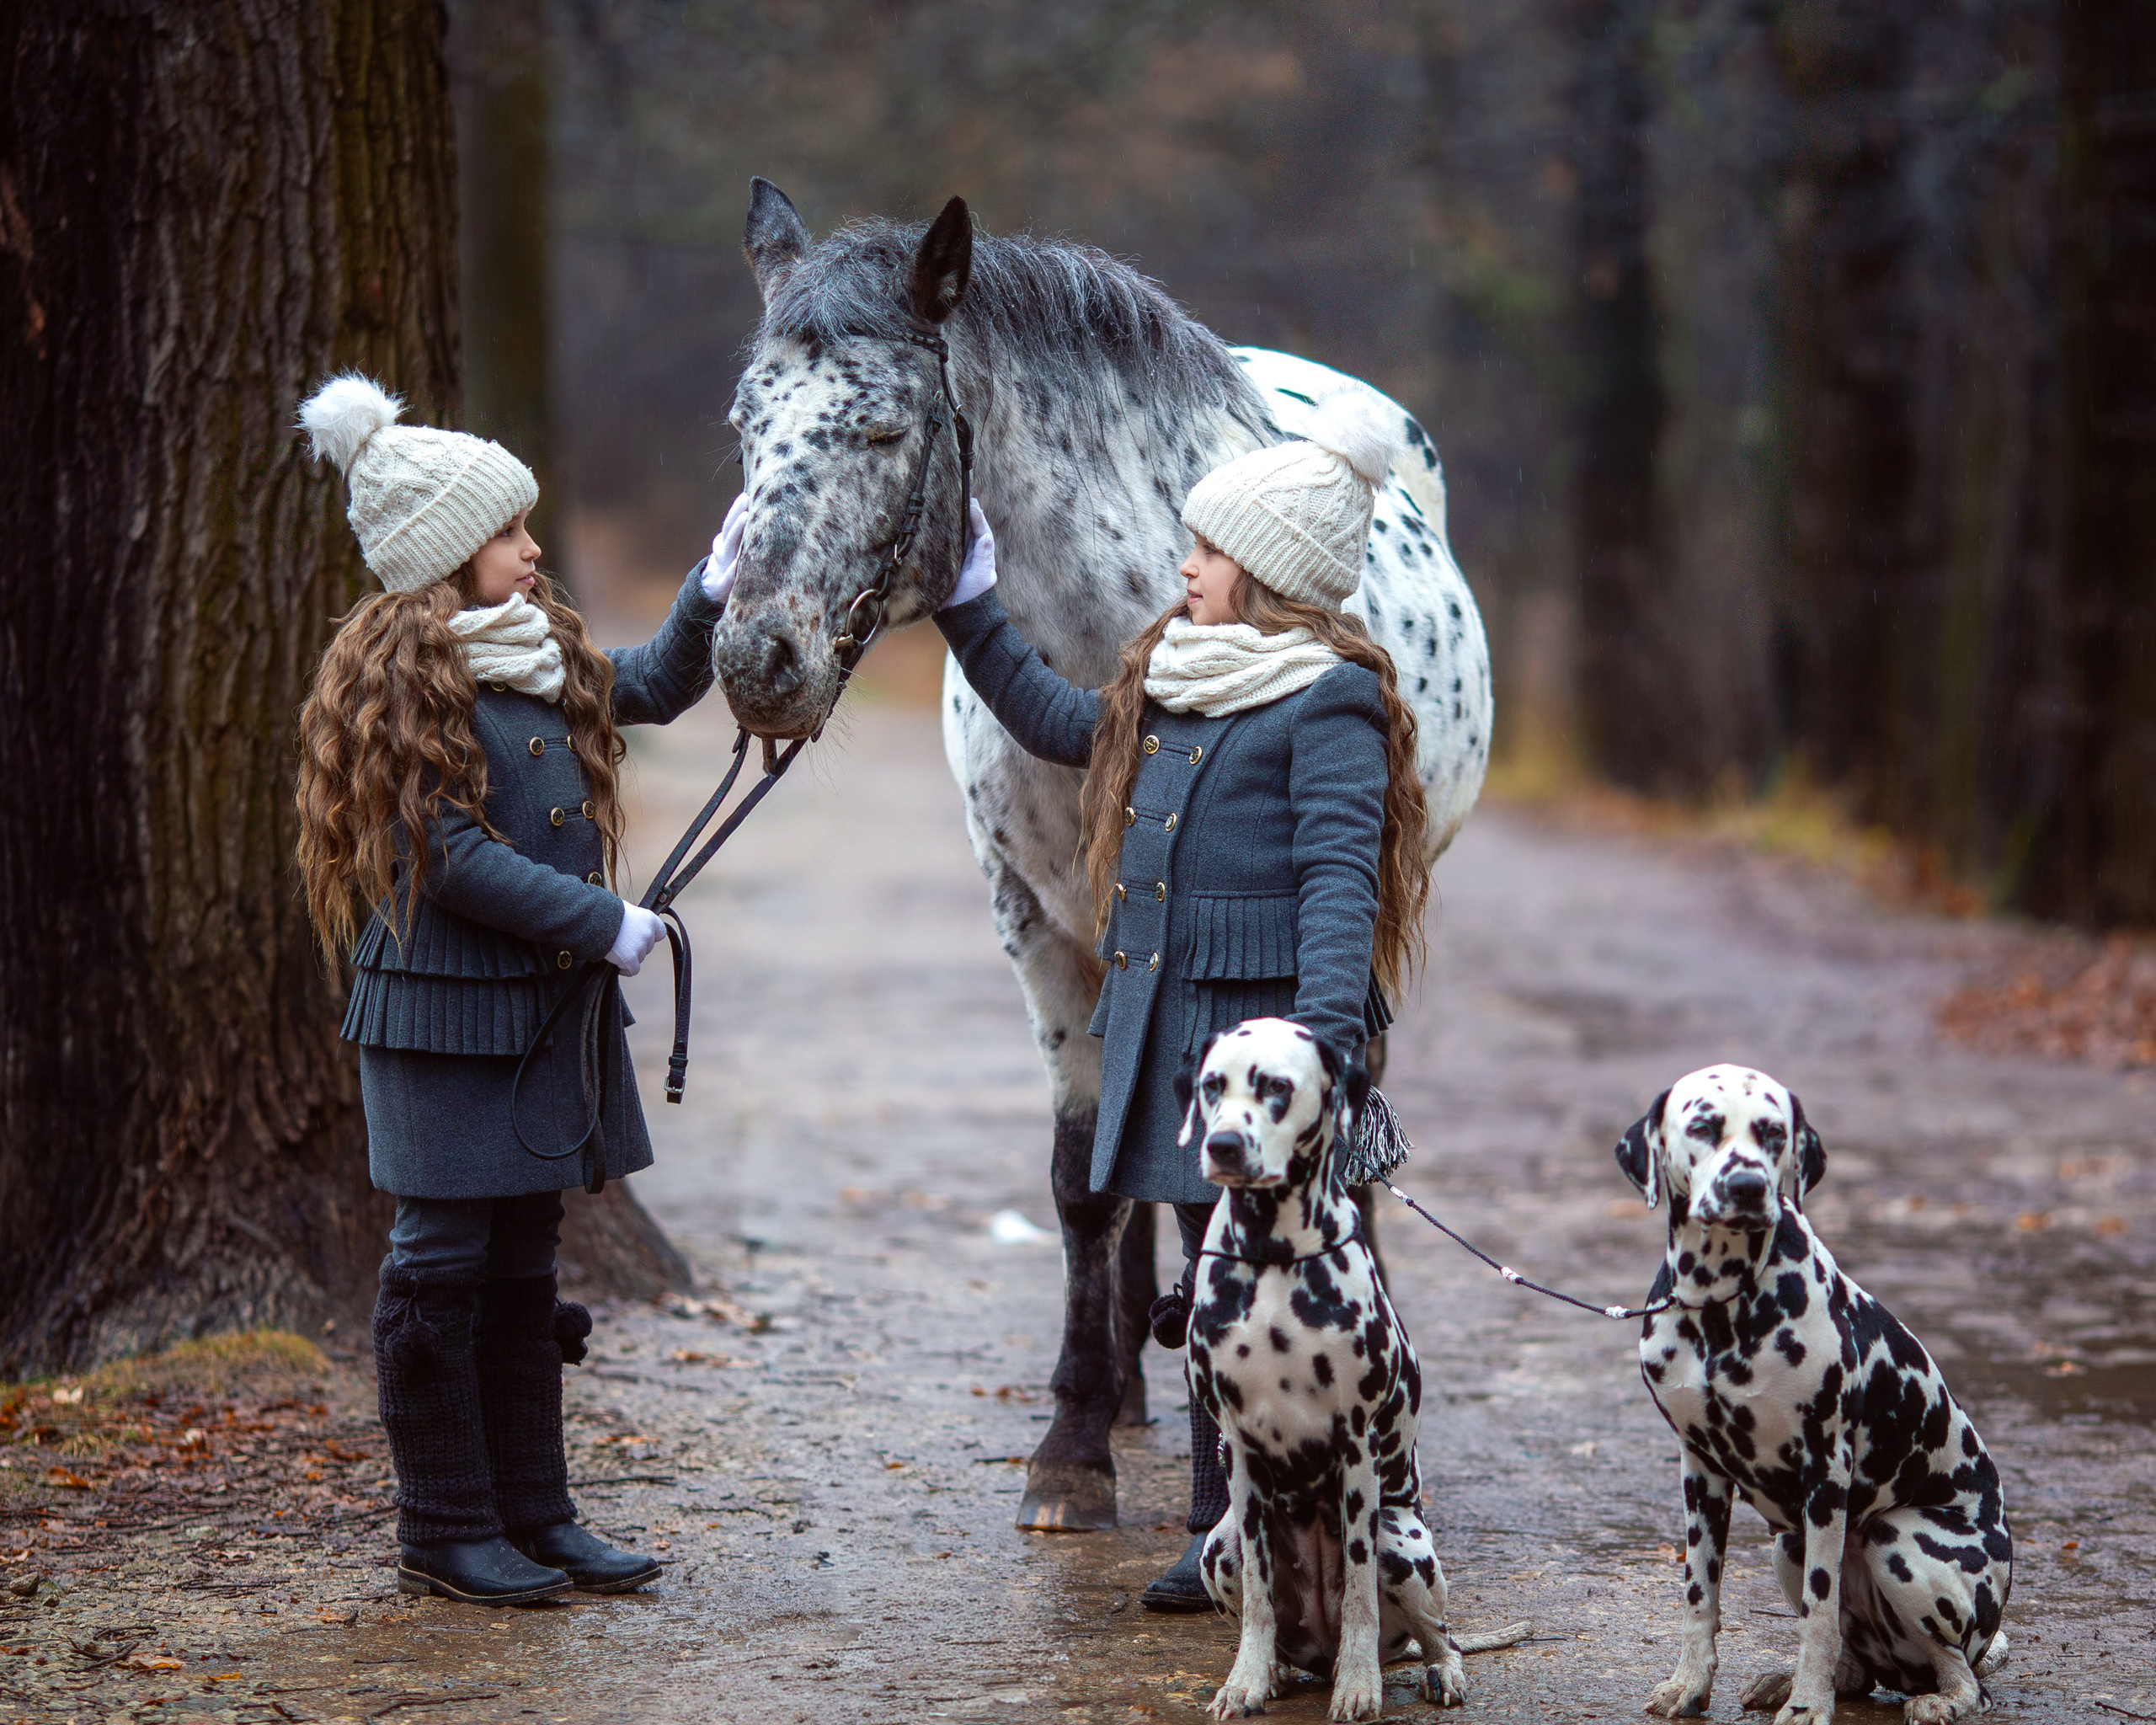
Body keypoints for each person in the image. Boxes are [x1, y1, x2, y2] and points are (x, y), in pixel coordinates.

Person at [933, 392, 1432, 1609]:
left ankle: (1236, 1525)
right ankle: (1228, 1531)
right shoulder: (1173, 675)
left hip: (1266, 1045)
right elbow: (1055, 722)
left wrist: (1320, 1051)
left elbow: (1335, 879)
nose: (1186, 565)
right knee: (1218, 1284)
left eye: (1209, 552)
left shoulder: (1333, 702)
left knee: (1243, 1271)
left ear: (1266, 576)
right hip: (1180, 1029)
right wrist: (967, 604)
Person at [292, 375, 746, 1605]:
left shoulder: (535, 648)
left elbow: (644, 687)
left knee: (527, 1258)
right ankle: (444, 1526)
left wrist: (710, 588)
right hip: (440, 1020)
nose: (533, 548)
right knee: (440, 1258)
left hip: (541, 1014)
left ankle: (538, 1517)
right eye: (507, 531)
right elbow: (439, 855)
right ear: (446, 553)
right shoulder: (395, 674)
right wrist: (605, 921)